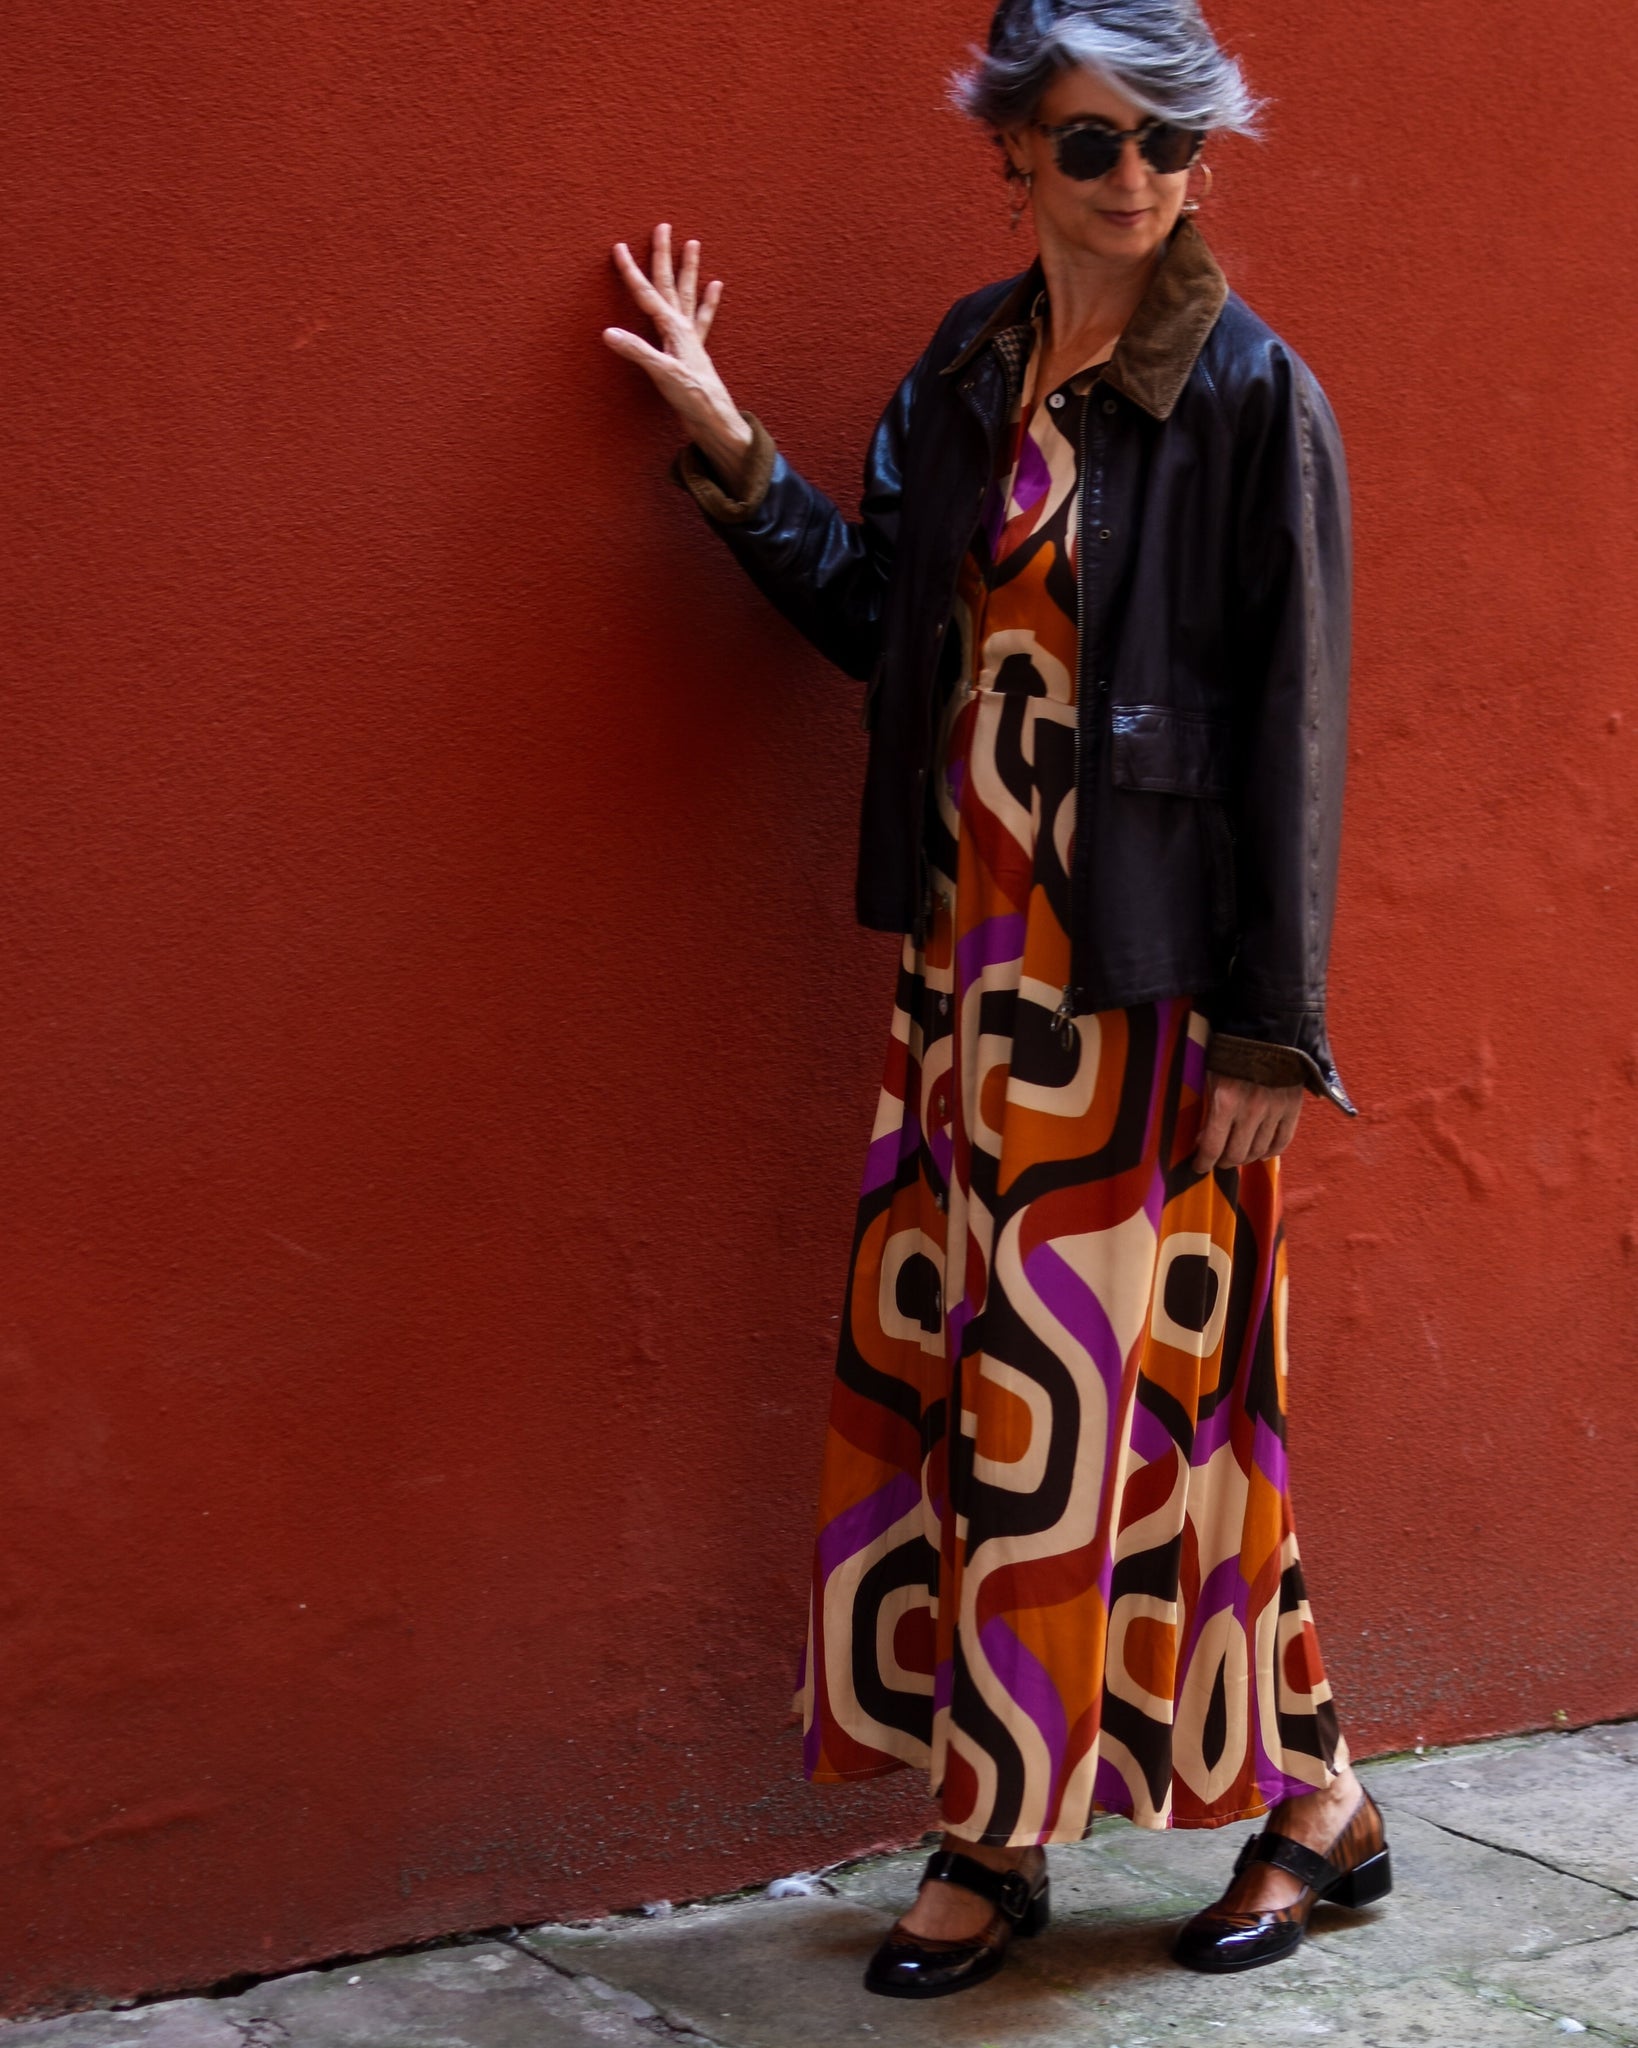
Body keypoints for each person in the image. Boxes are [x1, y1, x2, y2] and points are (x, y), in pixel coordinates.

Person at [603, 0, 1391, 1999]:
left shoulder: (1247, 394)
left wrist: (1271, 1031)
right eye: (1096, 140)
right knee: (1058, 1405)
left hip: (1141, 997)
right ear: (1013, 153)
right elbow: (885, 623)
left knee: (1115, 1412)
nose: (1140, 179)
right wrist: (733, 454)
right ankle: (1317, 1796)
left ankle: (997, 1835)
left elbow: (1294, 735)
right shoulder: (967, 368)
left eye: (1171, 142)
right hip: (968, 987)